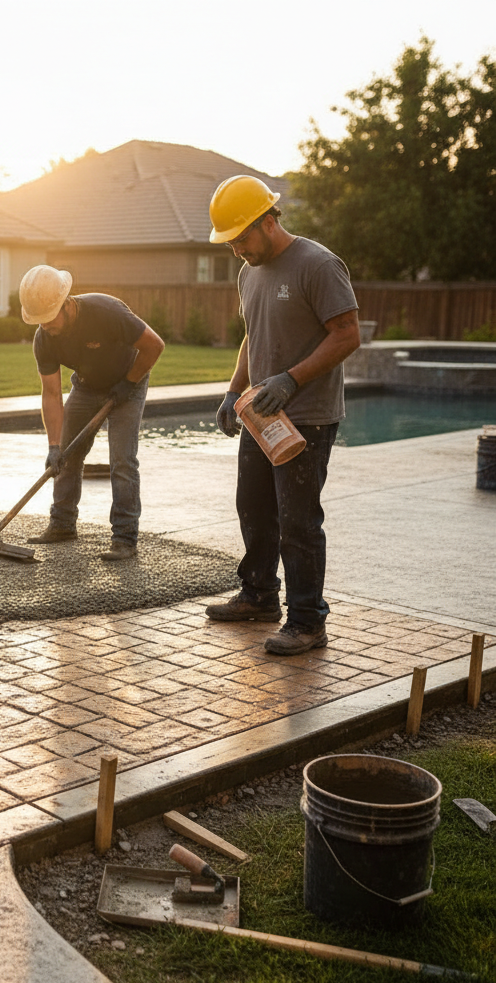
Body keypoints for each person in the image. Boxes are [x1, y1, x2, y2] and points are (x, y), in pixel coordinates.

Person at [204, 175, 360, 655]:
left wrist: (291, 379)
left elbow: (347, 334)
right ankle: (259, 595)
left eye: (241, 239)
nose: (236, 250)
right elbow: (252, 335)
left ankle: (309, 622)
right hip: (262, 414)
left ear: (268, 221)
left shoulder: (318, 264)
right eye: (229, 243)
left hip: (307, 416)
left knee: (298, 522)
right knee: (253, 506)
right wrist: (234, 391)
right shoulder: (248, 273)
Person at [19, 265, 165, 560]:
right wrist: (54, 446)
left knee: (122, 461)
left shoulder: (106, 312)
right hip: (86, 387)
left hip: (128, 381)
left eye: (49, 318)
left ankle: (124, 538)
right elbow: (51, 394)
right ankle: (62, 525)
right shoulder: (44, 338)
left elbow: (154, 345)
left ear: (66, 304)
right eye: (39, 321)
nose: (45, 326)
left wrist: (128, 383)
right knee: (66, 457)